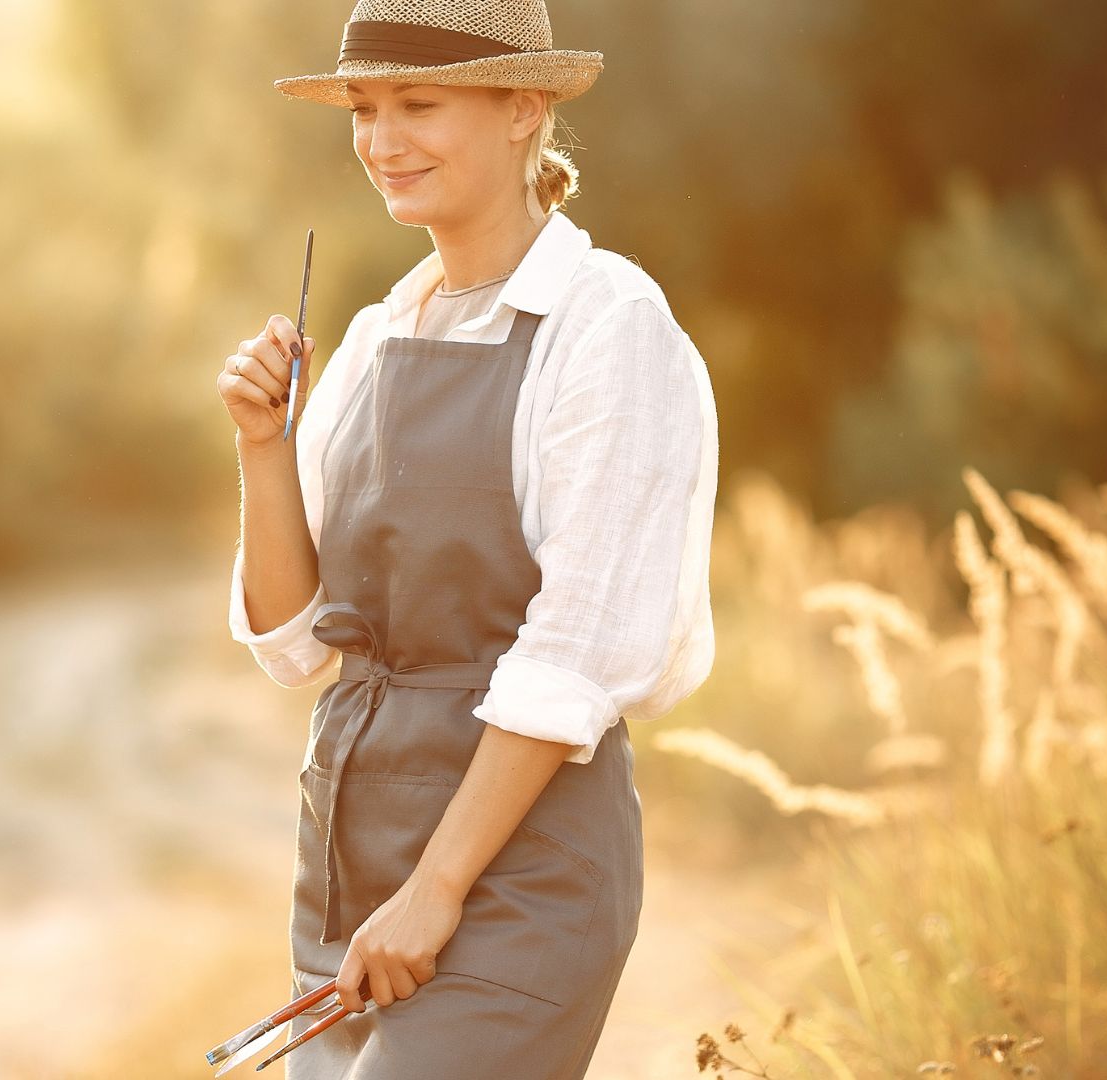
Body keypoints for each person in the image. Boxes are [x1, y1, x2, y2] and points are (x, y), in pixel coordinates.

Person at [214, 1, 719, 1075]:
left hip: (515, 872)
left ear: (523, 108)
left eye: (418, 104)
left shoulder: (607, 325)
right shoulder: (375, 335)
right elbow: (295, 643)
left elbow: (575, 651)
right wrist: (264, 446)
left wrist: (438, 889)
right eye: (365, 106)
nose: (381, 140)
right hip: (350, 867)